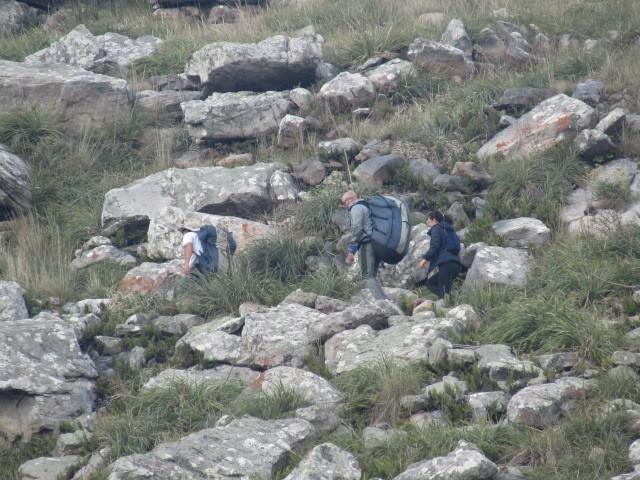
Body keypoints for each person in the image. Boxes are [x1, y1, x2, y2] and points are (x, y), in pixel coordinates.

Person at [341, 190, 388, 300]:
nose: (345, 206)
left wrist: (352, 248)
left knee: (367, 276)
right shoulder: (365, 206)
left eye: (345, 202)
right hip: (376, 243)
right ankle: (386, 300)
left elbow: (357, 228)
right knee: (372, 276)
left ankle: (381, 302)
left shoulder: (356, 207)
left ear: (351, 199)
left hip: (367, 244)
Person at [418, 211, 463, 299]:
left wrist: (424, 259)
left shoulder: (436, 228)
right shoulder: (450, 230)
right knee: (431, 283)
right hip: (456, 265)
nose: (427, 222)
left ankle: (449, 302)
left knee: (444, 294)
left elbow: (434, 246)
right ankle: (450, 300)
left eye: (428, 219)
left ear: (434, 220)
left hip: (446, 265)